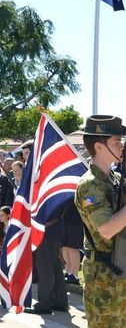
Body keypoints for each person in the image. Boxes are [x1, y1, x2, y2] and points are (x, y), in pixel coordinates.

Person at [74, 115, 126, 327]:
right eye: (116, 141)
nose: (122, 145)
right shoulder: (90, 185)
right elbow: (106, 229)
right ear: (99, 146)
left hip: (118, 270)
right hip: (104, 278)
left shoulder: (113, 179)